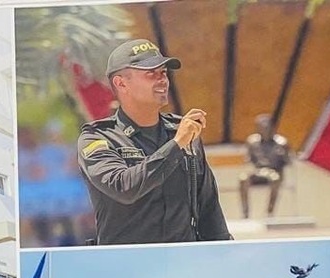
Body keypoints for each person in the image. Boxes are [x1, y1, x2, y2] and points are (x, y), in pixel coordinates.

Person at [77, 39, 230, 245]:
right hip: (125, 265)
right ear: (121, 83)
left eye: (164, 73)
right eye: (151, 74)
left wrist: (225, 252)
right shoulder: (98, 138)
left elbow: (208, 206)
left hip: (184, 261)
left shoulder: (182, 131)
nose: (162, 80)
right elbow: (123, 187)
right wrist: (176, 145)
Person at [239, 115, 291, 219]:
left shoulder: (282, 143)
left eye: (266, 127)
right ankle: (246, 213)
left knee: (275, 179)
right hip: (258, 172)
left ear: (272, 128)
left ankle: (269, 212)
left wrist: (281, 156)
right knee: (243, 179)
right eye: (261, 127)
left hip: (274, 172)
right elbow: (248, 160)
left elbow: (288, 161)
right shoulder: (252, 142)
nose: (264, 130)